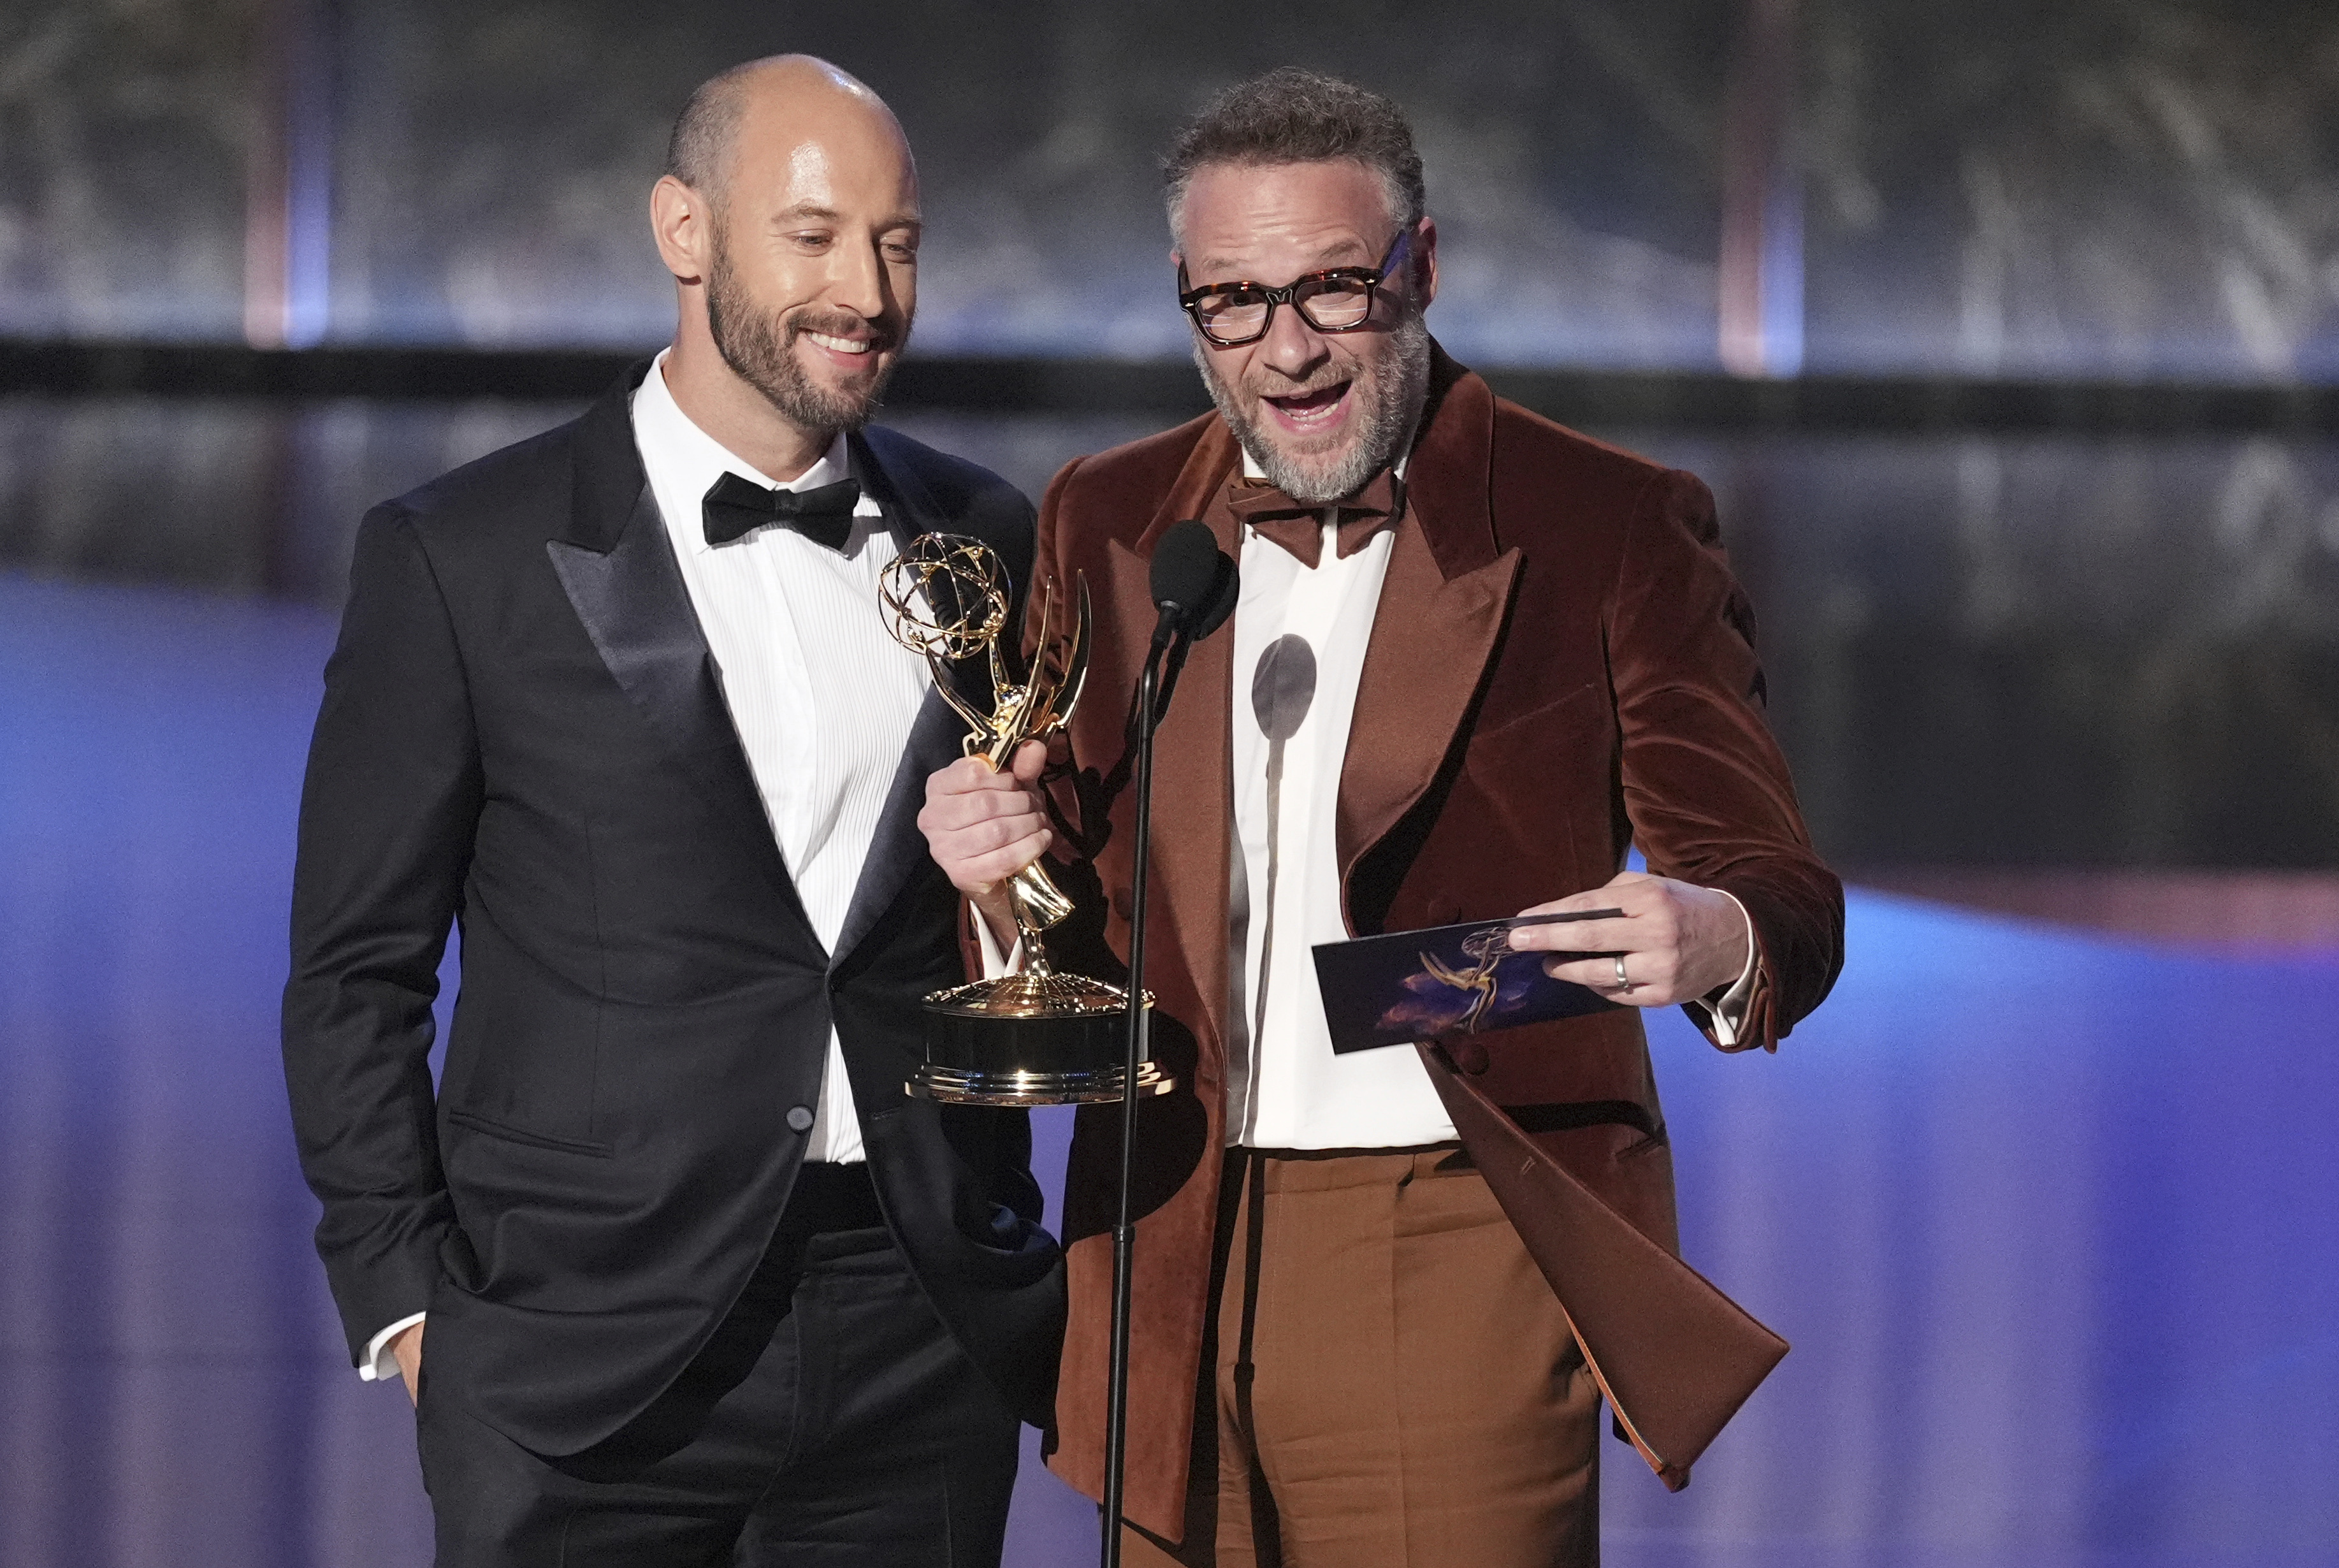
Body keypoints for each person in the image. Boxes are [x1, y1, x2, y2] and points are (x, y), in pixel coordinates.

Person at [920, 68, 1844, 1568]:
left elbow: (1775, 884)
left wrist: (1715, 934)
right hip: (1163, 1229)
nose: (1285, 349)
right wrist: (992, 872)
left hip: (1448, 1238)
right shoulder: (1109, 518)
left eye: (1332, 290)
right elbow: (1073, 886)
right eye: (1234, 300)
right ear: (1185, 301)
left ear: (1419, 267)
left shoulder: (1602, 520)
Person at [283, 55, 1060, 1566]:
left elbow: (1024, 906)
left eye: (900, 242)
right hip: (577, 1352)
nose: (869, 291)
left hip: (914, 1333)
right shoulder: (465, 555)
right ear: (684, 230)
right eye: (816, 235)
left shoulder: (984, 537)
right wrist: (409, 1303)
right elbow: (354, 974)